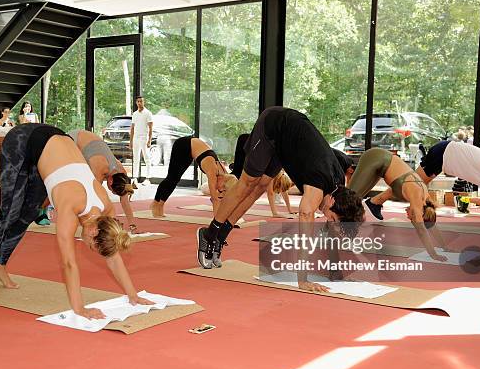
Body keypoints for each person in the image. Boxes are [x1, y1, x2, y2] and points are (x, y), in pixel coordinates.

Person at [0, 123, 152, 319]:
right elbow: (69, 264)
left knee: (28, 214)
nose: (87, 248)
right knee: (9, 212)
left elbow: (113, 255)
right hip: (25, 139)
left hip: (52, 147)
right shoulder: (72, 206)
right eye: (92, 247)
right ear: (93, 232)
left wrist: (133, 295)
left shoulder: (106, 210)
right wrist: (79, 309)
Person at [196, 107, 364, 281]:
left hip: (287, 143)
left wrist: (335, 270)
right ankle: (209, 234)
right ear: (333, 201)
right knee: (247, 184)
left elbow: (332, 231)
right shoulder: (319, 185)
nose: (329, 220)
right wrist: (303, 279)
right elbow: (306, 217)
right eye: (333, 218)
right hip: (274, 125)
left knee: (261, 186)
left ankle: (220, 236)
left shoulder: (338, 188)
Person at [367, 140, 480, 236]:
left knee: (412, 184)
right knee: (411, 184)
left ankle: (375, 202)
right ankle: (374, 202)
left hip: (444, 155)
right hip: (443, 153)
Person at [348, 147, 445, 261]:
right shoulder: (417, 197)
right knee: (346, 201)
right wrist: (434, 254)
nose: (409, 218)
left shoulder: (426, 200)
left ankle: (372, 205)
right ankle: (328, 229)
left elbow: (431, 224)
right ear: (419, 213)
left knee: (352, 202)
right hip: (376, 158)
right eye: (413, 218)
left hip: (380, 164)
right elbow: (422, 230)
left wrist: (444, 246)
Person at [68, 129, 139, 232]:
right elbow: (93, 199)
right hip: (73, 139)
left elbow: (125, 202)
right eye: (112, 191)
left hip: (90, 141)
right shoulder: (100, 170)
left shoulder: (122, 175)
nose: (110, 191)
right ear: (110, 182)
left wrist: (132, 225)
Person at [150, 136, 238, 217]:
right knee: (173, 178)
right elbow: (215, 200)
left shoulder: (225, 174)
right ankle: (156, 203)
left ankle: (159, 204)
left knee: (175, 178)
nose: (220, 189)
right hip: (184, 145)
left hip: (192, 148)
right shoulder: (213, 171)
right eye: (222, 188)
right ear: (222, 179)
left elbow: (222, 199)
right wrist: (218, 221)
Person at [129, 96, 153, 185]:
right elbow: (132, 128)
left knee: (147, 158)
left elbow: (151, 128)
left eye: (141, 101)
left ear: (144, 102)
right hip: (136, 138)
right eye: (138, 101)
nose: (139, 103)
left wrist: (149, 140)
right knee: (136, 158)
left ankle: (148, 178)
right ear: (136, 103)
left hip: (144, 138)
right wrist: (130, 141)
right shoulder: (134, 114)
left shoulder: (148, 113)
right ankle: (134, 178)